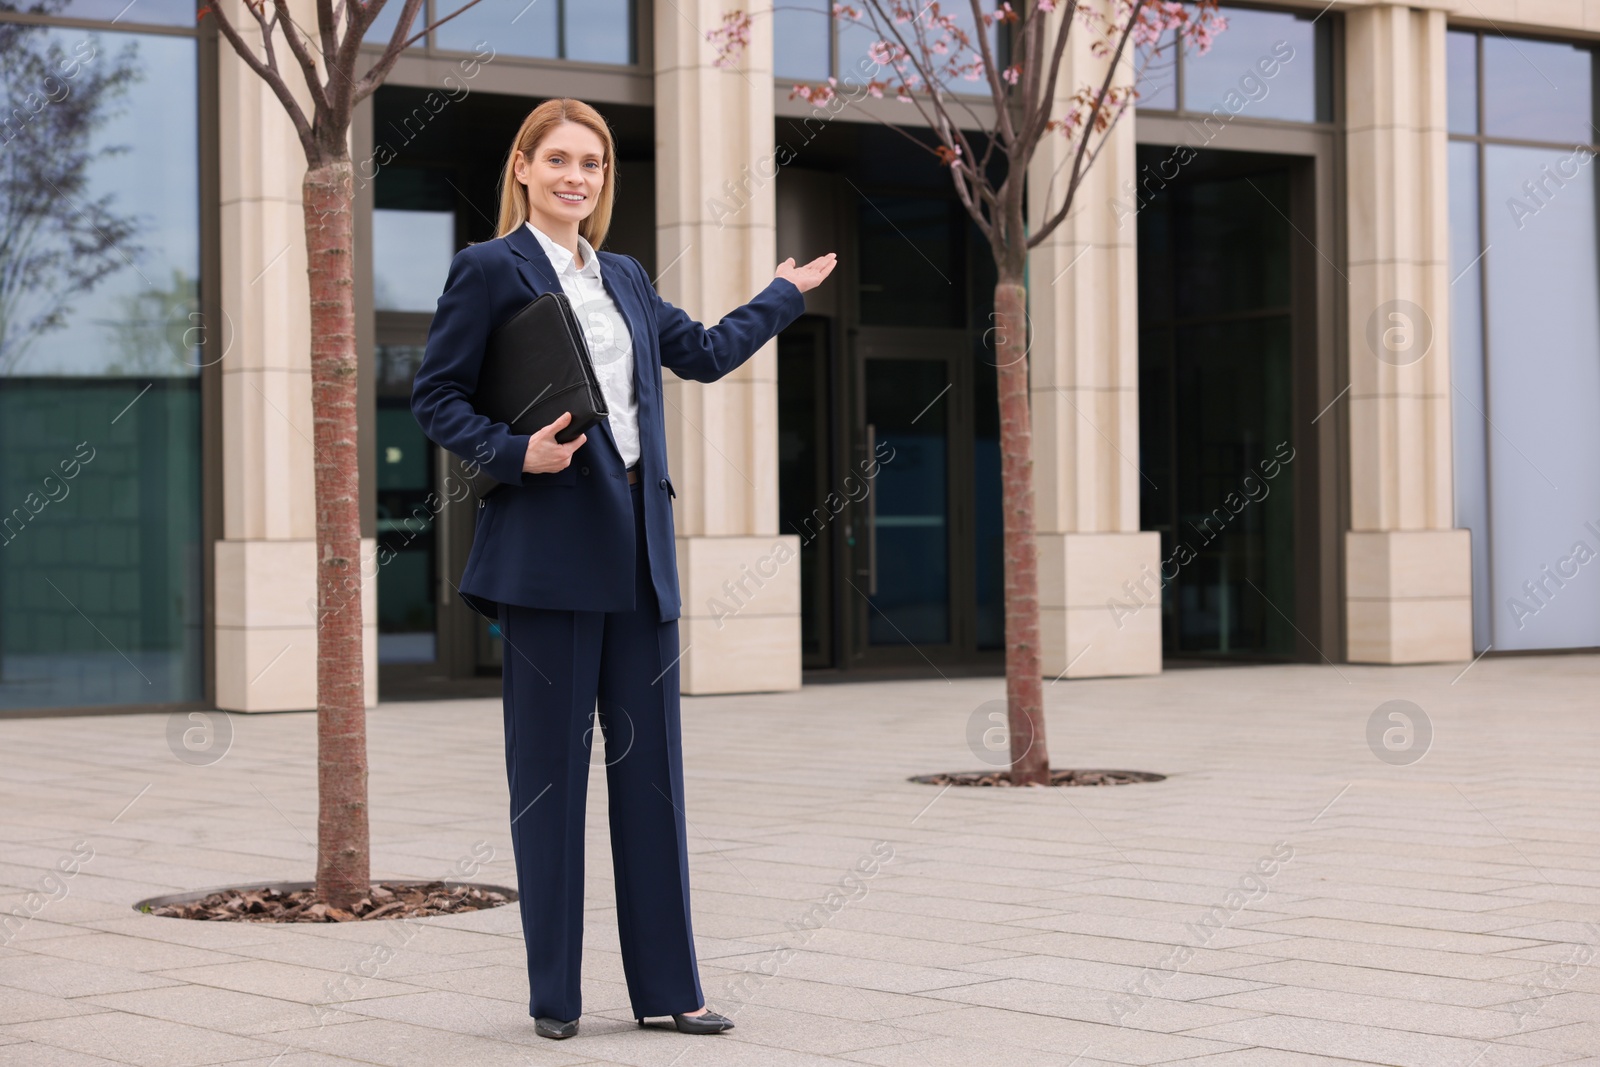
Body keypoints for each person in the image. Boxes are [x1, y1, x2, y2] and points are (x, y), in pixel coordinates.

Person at [410, 98, 837, 1041]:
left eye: (592, 164)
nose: (577, 177)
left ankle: (669, 990)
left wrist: (782, 294)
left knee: (653, 785)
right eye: (559, 159)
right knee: (551, 784)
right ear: (523, 167)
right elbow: (434, 396)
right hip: (548, 560)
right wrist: (519, 453)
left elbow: (707, 354)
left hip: (641, 560)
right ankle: (555, 996)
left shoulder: (630, 278)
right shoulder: (488, 270)